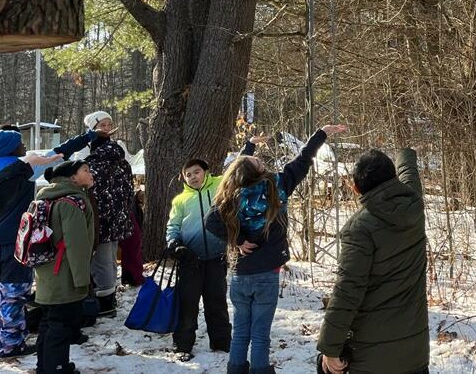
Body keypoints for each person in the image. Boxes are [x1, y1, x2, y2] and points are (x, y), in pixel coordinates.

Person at [206, 124, 347, 374]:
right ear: (259, 171)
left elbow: (212, 220)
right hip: (267, 275)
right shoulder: (277, 187)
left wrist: (237, 241)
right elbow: (304, 158)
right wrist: (321, 133)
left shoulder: (232, 195)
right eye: (258, 161)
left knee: (240, 333)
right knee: (260, 336)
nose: (262, 161)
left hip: (241, 274)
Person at [316, 148, 430, 374]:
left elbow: (348, 291)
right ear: (394, 179)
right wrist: (405, 152)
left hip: (371, 358)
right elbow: (410, 175)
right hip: (414, 353)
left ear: (356, 188)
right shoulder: (413, 207)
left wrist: (330, 347)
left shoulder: (359, 229)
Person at [165, 135, 266, 361]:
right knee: (188, 303)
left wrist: (249, 145)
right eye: (188, 175)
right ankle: (182, 344)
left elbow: (236, 166)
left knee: (216, 300)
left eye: (196, 172)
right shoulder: (180, 200)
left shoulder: (220, 185)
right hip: (189, 259)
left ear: (206, 172)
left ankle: (221, 341)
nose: (193, 177)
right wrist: (173, 243)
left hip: (216, 257)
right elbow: (173, 225)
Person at [0, 130, 62, 357]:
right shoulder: (20, 170)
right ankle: (11, 345)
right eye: (20, 143)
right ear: (11, 148)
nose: (25, 147)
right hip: (13, 243)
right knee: (13, 293)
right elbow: (55, 153)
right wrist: (87, 137)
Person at [35, 160, 95, 374]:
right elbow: (77, 246)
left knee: (48, 322)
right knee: (60, 325)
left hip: (45, 273)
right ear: (72, 177)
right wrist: (82, 281)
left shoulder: (45, 198)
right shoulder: (72, 203)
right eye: (86, 170)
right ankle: (57, 369)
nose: (91, 173)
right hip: (66, 273)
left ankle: (45, 366)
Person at [83, 111, 134, 317]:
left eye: (108, 124)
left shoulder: (94, 161)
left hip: (100, 217)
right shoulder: (119, 156)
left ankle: (105, 302)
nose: (105, 128)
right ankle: (108, 295)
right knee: (110, 258)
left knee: (102, 259)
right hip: (117, 216)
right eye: (101, 125)